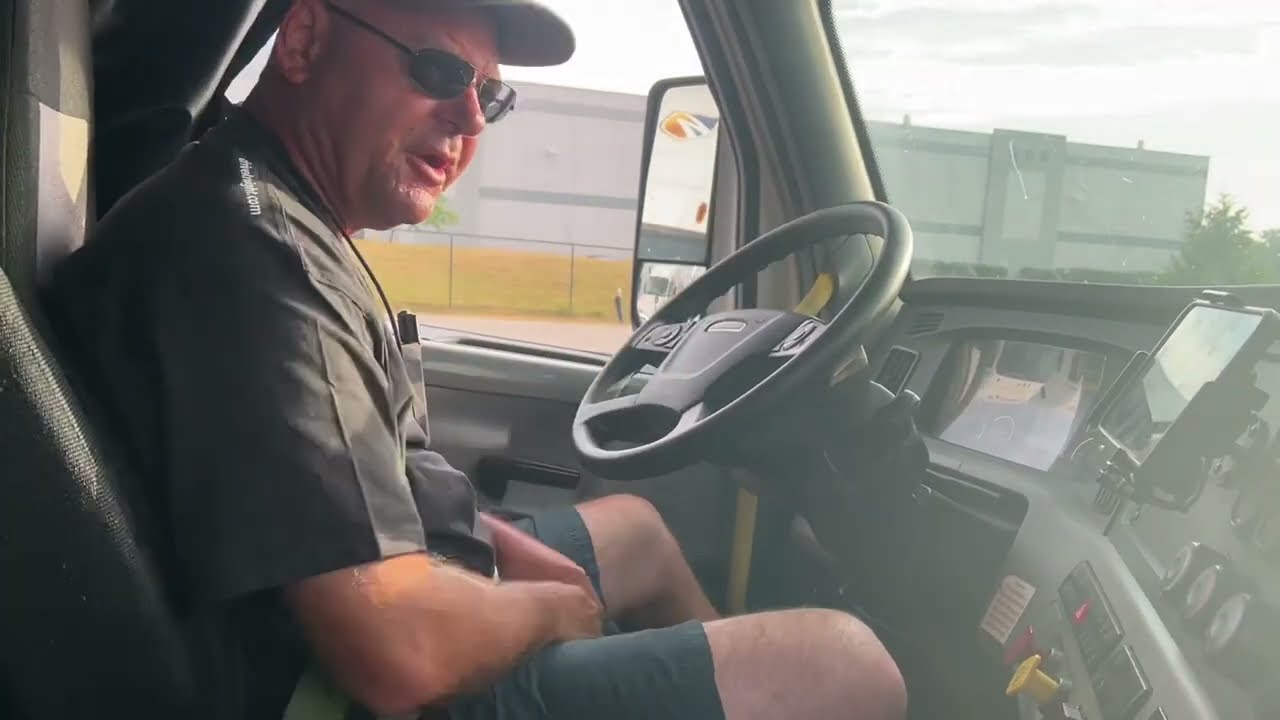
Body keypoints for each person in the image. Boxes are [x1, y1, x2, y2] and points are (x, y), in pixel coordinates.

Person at [40, 1, 907, 719]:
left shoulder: (268, 209)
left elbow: (336, 488)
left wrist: (489, 546)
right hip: (320, 683)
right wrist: (551, 611)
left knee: (638, 530)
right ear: (303, 41)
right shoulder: (256, 261)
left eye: (491, 97)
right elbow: (397, 650)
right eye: (442, 73)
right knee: (844, 661)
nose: (467, 120)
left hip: (350, 588)